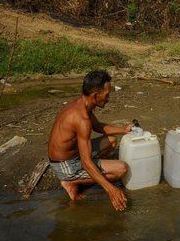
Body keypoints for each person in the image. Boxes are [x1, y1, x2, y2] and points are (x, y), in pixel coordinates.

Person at [48, 69, 133, 211]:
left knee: (111, 141)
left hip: (73, 155)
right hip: (64, 164)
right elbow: (85, 162)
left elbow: (98, 126)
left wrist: (124, 129)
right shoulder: (82, 119)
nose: (108, 98)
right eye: (106, 95)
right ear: (95, 95)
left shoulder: (82, 103)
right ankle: (71, 182)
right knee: (121, 169)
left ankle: (81, 177)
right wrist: (111, 190)